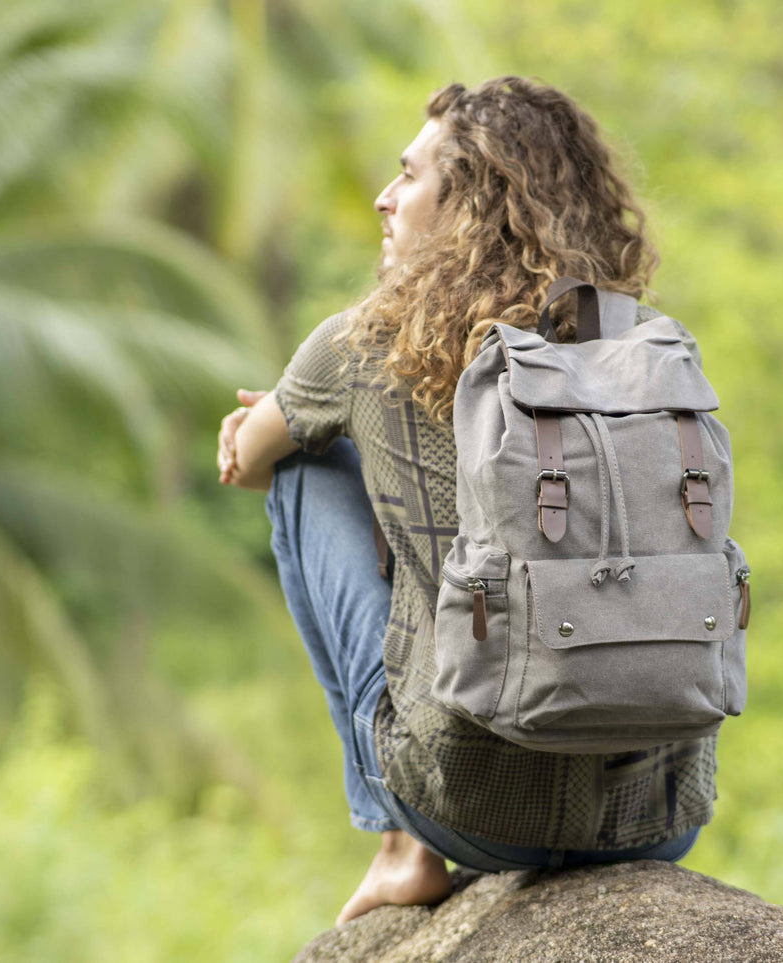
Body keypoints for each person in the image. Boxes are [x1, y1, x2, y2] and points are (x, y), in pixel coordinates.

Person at [215, 76, 715, 926]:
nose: (383, 197)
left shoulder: (366, 341)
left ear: (468, 204)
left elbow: (251, 461)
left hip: (471, 812)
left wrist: (290, 421)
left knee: (308, 471)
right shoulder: (645, 349)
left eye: (409, 177)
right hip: (656, 820)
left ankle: (397, 842)